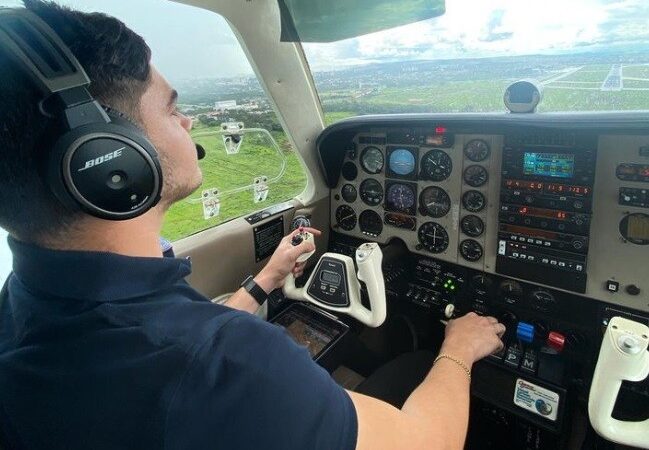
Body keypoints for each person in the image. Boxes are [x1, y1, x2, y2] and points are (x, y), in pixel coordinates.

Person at [0, 1, 506, 449]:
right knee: (420, 368)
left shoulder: (22, 305)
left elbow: (180, 342)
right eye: (173, 108)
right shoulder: (229, 366)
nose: (189, 123)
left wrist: (266, 278)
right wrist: (459, 348)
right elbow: (426, 441)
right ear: (111, 162)